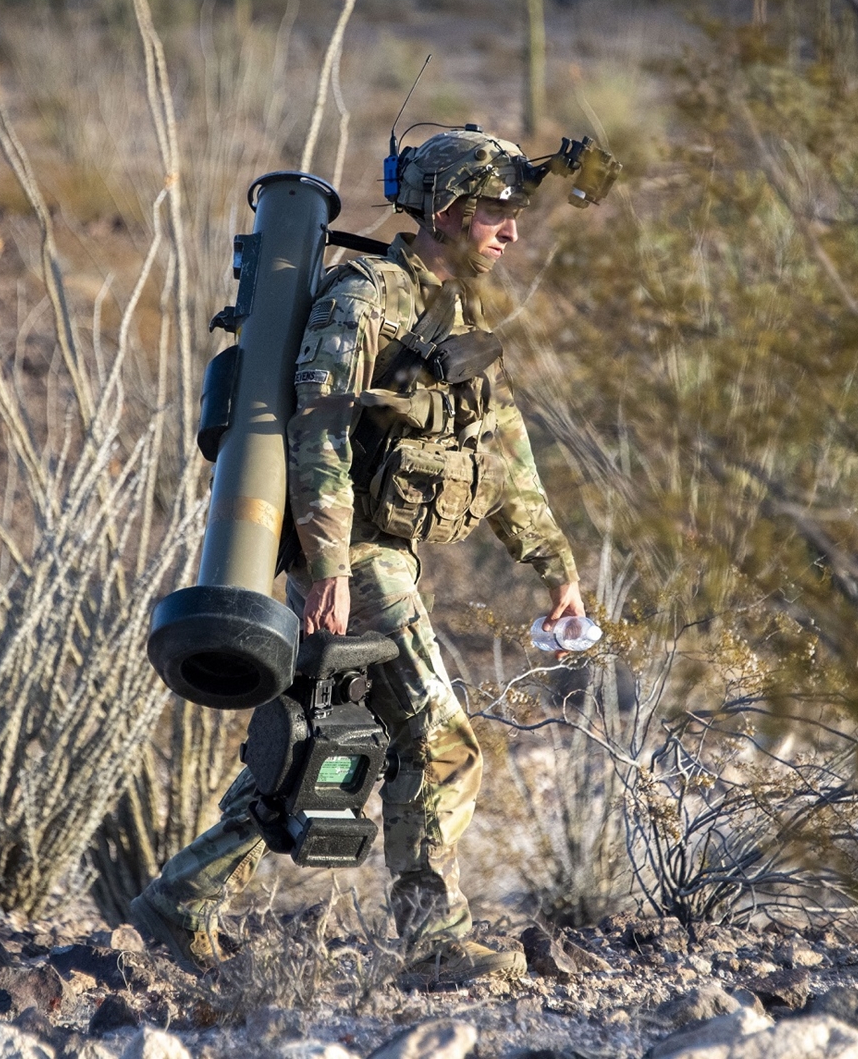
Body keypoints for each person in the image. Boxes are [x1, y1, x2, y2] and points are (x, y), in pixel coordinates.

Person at [131, 128, 584, 985]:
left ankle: (181, 898)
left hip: (382, 555)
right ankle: (433, 941)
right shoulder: (362, 296)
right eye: (497, 211)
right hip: (354, 555)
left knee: (324, 741)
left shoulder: (458, 315)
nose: (512, 231)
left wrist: (554, 566)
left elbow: (505, 453)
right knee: (442, 743)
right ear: (446, 210)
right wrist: (330, 567)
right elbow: (320, 432)